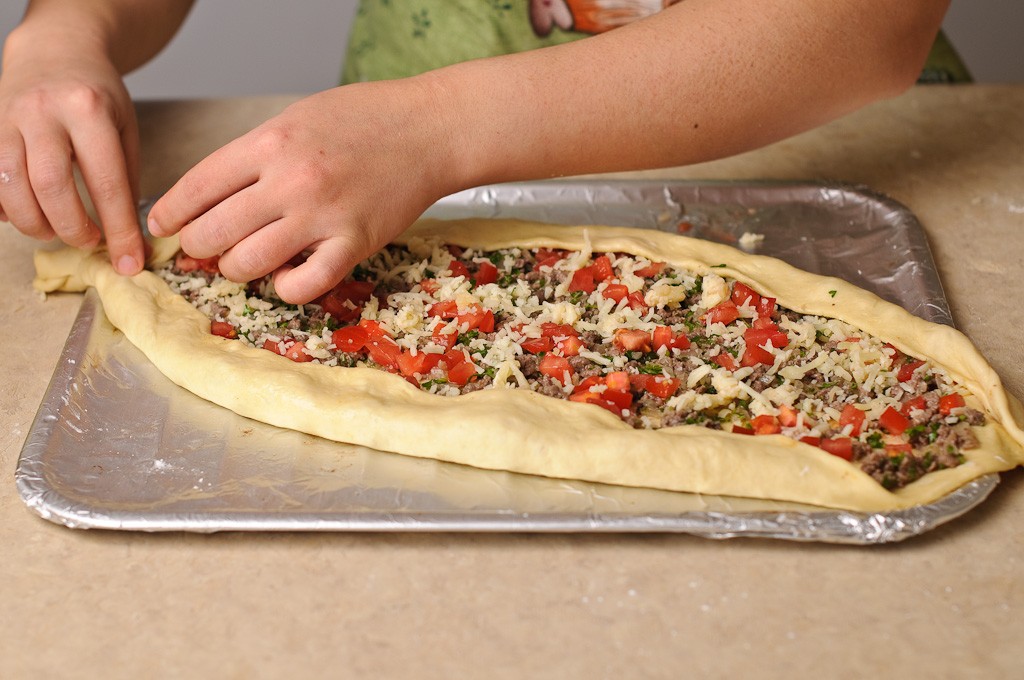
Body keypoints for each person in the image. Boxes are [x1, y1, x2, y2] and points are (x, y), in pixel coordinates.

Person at [1, 0, 952, 305]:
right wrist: (69, 28)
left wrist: (430, 128)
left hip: (815, 133)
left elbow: (872, 21)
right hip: (372, 174)